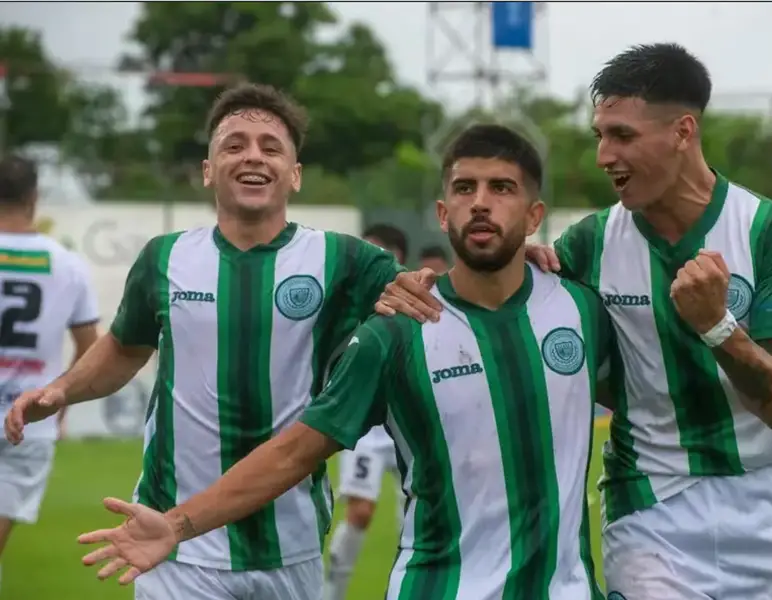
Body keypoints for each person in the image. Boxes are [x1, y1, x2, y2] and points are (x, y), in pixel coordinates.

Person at [75, 124, 612, 600]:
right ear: (442, 213)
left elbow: (655, 404)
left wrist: (704, 329)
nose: (481, 202)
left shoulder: (582, 309)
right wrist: (177, 525)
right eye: (465, 188)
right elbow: (291, 453)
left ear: (534, 214)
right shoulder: (397, 334)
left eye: (502, 188)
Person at [376, 44, 772, 600]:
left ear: (683, 132)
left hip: (770, 503)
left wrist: (716, 324)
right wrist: (412, 287)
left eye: (622, 135)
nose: (603, 155)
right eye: (599, 135)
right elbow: (498, 291)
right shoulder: (587, 246)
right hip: (651, 506)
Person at [4, 83, 407, 600]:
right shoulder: (163, 258)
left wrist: (523, 264)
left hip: (292, 543)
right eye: (234, 145)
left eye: (271, 146)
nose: (252, 156)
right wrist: (63, 389)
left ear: (295, 174)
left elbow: (438, 297)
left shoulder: (346, 261)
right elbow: (125, 348)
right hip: (170, 542)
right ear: (208, 170)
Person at [0, 156, 100, 593]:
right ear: (34, 198)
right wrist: (61, 398)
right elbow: (90, 350)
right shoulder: (68, 264)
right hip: (28, 420)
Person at [325, 223, 407, 600]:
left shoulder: (419, 297)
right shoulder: (346, 300)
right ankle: (332, 593)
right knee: (359, 513)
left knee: (412, 518)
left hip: (410, 425)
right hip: (366, 430)